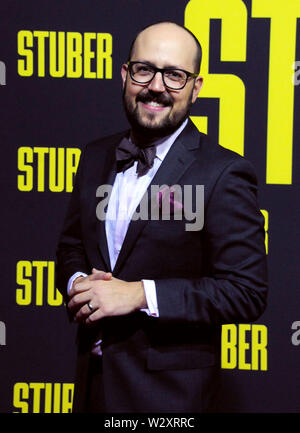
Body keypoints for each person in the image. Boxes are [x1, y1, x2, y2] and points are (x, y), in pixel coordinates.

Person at [56, 21, 268, 413]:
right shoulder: (95, 157)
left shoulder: (222, 173)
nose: (156, 86)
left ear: (196, 87)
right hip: (92, 388)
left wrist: (139, 294)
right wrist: (79, 282)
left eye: (174, 75)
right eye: (144, 70)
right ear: (125, 74)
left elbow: (246, 292)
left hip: (169, 400)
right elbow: (71, 246)